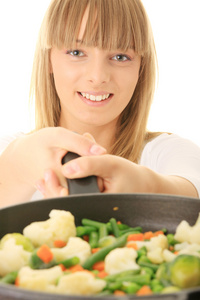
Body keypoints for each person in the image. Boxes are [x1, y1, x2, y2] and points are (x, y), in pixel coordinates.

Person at [0, 0, 200, 207]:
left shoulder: (169, 153)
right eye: (76, 53)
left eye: (120, 56)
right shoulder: (8, 150)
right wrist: (16, 166)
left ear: (141, 68)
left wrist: (145, 185)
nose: (97, 77)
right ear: (49, 59)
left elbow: (190, 191)